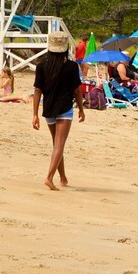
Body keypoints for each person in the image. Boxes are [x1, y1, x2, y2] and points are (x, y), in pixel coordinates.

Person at [32, 31, 85, 191]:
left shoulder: (41, 66)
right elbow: (77, 91)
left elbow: (37, 91)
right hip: (65, 109)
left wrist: (34, 114)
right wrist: (81, 109)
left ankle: (63, 178)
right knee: (59, 145)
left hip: (49, 109)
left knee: (56, 144)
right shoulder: (71, 66)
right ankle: (49, 177)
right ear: (65, 48)